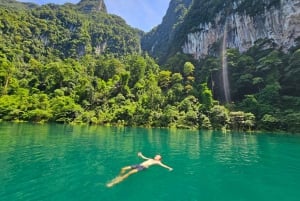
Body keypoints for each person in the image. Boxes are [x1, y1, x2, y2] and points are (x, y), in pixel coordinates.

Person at [106, 152, 173, 187]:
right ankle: (119, 176)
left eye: (157, 156)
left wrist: (169, 168)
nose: (156, 156)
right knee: (123, 168)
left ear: (159, 159)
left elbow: (163, 165)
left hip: (142, 168)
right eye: (156, 155)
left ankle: (114, 183)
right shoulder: (150, 158)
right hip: (138, 165)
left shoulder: (158, 162)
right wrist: (140, 155)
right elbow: (144, 158)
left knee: (129, 173)